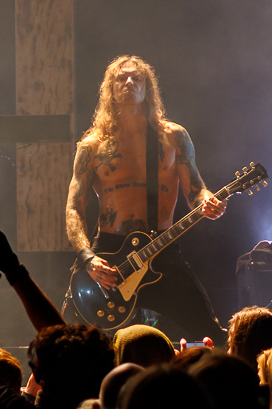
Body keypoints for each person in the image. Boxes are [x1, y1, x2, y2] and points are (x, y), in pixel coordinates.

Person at [63, 55, 226, 341]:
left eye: (136, 78)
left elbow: (196, 190)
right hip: (110, 258)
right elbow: (74, 207)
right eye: (121, 78)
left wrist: (208, 201)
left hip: (162, 251)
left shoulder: (173, 137)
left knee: (210, 334)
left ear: (147, 88)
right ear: (109, 89)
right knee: (71, 342)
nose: (128, 82)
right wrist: (88, 259)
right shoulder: (92, 145)